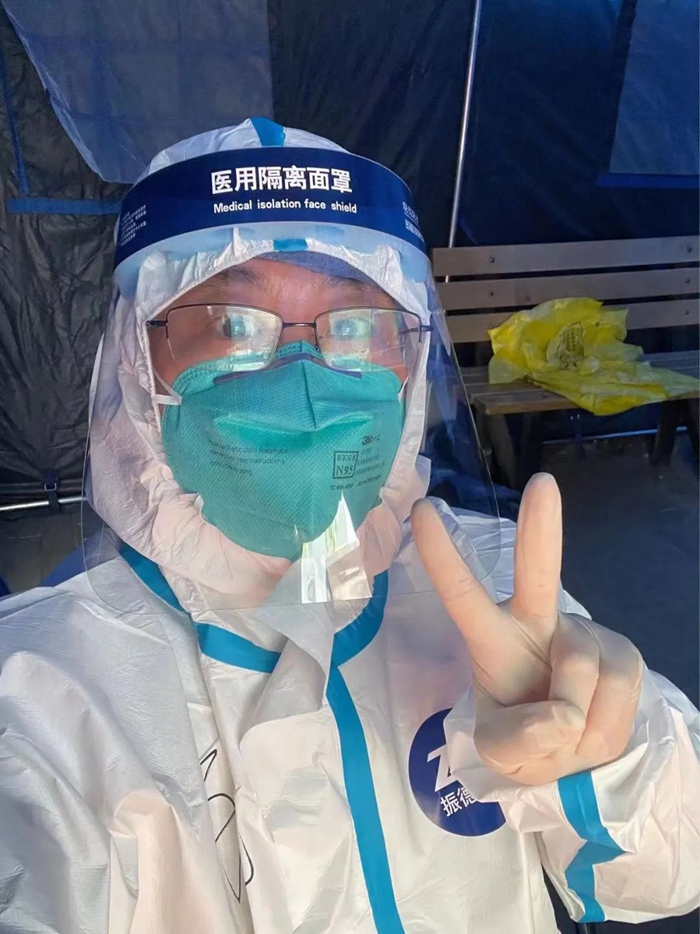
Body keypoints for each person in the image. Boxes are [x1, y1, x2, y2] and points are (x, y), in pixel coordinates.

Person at [0, 118, 698, 934]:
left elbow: (669, 874)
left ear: (411, 364)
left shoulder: (491, 584)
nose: (303, 379)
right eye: (231, 322)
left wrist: (612, 759)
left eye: (357, 324)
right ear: (135, 358)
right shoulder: (44, 693)